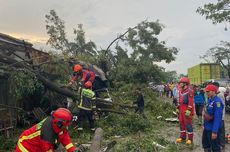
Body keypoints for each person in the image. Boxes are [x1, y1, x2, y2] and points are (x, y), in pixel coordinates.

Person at [15, 108, 81, 152]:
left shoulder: (57, 124)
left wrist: (72, 150)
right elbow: (48, 149)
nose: (67, 127)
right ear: (60, 124)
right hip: (25, 148)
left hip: (37, 146)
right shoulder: (47, 135)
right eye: (67, 125)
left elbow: (64, 136)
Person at [202, 84, 224, 152]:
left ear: (213, 91)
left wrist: (214, 132)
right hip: (207, 128)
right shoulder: (210, 100)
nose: (206, 93)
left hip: (213, 129)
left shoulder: (217, 102)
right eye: (206, 91)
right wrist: (204, 125)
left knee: (215, 147)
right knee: (205, 144)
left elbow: (217, 118)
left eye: (208, 91)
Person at [176, 77, 194, 145]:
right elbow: (179, 100)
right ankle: (182, 137)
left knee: (188, 124)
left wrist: (189, 110)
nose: (179, 84)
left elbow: (191, 102)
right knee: (181, 123)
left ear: (185, 83)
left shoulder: (190, 91)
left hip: (187, 109)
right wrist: (177, 107)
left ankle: (190, 139)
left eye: (180, 83)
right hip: (181, 108)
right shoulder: (180, 91)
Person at [212, 82, 226, 150]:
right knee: (218, 130)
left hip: (220, 116)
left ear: (216, 87)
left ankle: (222, 144)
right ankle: (219, 143)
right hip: (218, 116)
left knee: (221, 131)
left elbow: (221, 106)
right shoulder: (216, 94)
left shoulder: (219, 95)